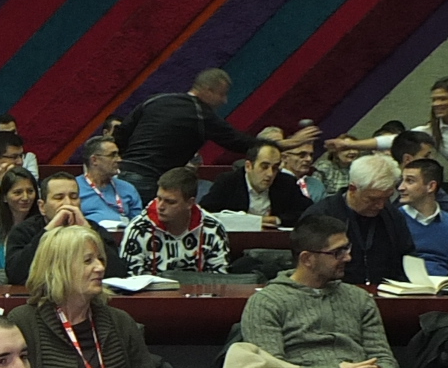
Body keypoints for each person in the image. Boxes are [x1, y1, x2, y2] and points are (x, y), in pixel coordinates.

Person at [238, 214, 398, 368]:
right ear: (307, 259)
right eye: (337, 252)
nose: (348, 257)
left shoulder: (359, 298)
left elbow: (386, 361)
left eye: (347, 248)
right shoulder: (266, 302)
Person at [6, 226, 162, 368]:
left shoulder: (120, 321)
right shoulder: (23, 322)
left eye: (100, 259)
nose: (100, 267)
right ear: (59, 268)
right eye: (88, 261)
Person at [115, 68, 317, 194]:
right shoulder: (201, 115)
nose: (224, 101)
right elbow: (239, 142)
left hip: (121, 177)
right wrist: (284, 144)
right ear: (208, 91)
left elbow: (121, 134)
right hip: (151, 182)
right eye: (222, 94)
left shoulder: (155, 100)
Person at [329, 77, 448, 201]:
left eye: (442, 99)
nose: (437, 104)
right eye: (434, 100)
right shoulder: (432, 130)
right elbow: (395, 140)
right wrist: (350, 144)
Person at [307, 155, 418, 287]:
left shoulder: (392, 215)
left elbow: (408, 256)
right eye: (372, 199)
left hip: (388, 290)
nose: (380, 206)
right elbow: (311, 267)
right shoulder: (321, 216)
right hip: (336, 290)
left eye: (386, 198)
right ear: (353, 189)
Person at [4, 173, 121, 286]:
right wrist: (48, 231)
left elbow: (117, 272)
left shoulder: (94, 229)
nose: (68, 203)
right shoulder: (24, 231)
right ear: (42, 207)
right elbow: (15, 275)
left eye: (73, 197)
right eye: (59, 198)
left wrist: (88, 231)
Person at [118, 169, 231, 275]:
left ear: (190, 203)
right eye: (159, 198)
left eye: (170, 202)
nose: (160, 206)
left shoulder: (212, 227)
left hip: (198, 289)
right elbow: (130, 277)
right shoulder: (139, 228)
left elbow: (220, 277)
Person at [397, 157, 448, 276]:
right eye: (402, 180)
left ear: (431, 186)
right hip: (401, 283)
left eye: (409, 181)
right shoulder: (393, 220)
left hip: (443, 284)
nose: (401, 187)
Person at [203, 139, 309, 226]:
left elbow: (308, 212)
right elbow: (206, 214)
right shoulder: (228, 182)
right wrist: (247, 222)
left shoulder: (286, 182)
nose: (270, 174)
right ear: (248, 166)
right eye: (264, 167)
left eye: (275, 168)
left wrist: (277, 220)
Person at [0, 169, 39, 285]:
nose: (25, 197)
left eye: (30, 191)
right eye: (18, 192)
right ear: (4, 197)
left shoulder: (44, 226)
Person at [75, 135, 142, 227]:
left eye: (118, 154)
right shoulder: (74, 187)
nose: (119, 160)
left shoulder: (128, 188)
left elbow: (137, 224)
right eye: (112, 155)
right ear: (94, 160)